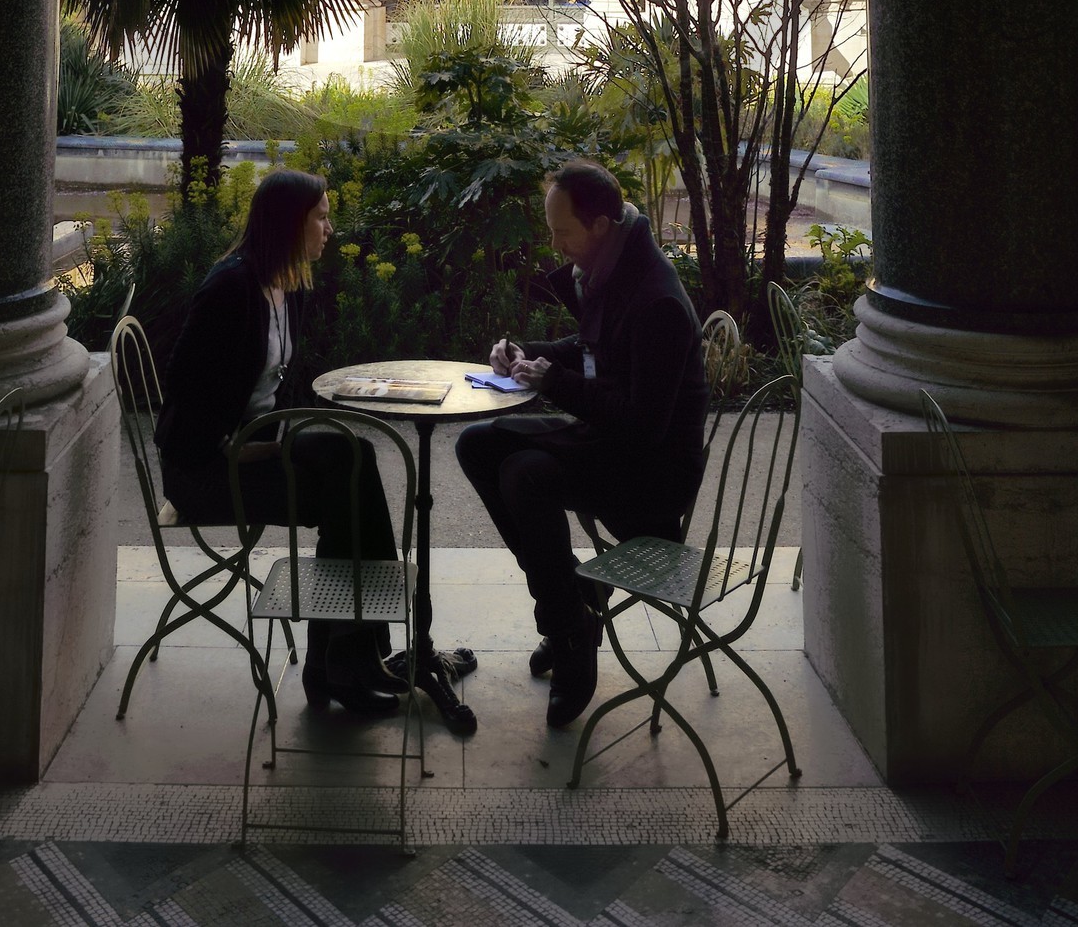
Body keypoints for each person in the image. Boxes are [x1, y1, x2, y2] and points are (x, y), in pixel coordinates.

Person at [455, 160, 704, 726]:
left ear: (600, 225)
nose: (555, 244)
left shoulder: (657, 299)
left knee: (525, 472)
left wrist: (555, 383)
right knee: (477, 444)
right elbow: (593, 346)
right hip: (608, 443)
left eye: (562, 232)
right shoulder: (611, 268)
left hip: (652, 474)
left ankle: (569, 634)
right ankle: (571, 601)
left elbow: (644, 428)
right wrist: (530, 354)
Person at [155, 169, 402, 715]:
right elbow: (182, 383)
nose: (329, 229)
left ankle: (345, 660)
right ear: (291, 224)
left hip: (251, 449)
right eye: (320, 216)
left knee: (351, 459)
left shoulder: (283, 286)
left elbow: (272, 388)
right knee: (346, 475)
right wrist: (230, 445)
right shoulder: (230, 288)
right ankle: (349, 658)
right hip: (205, 469)